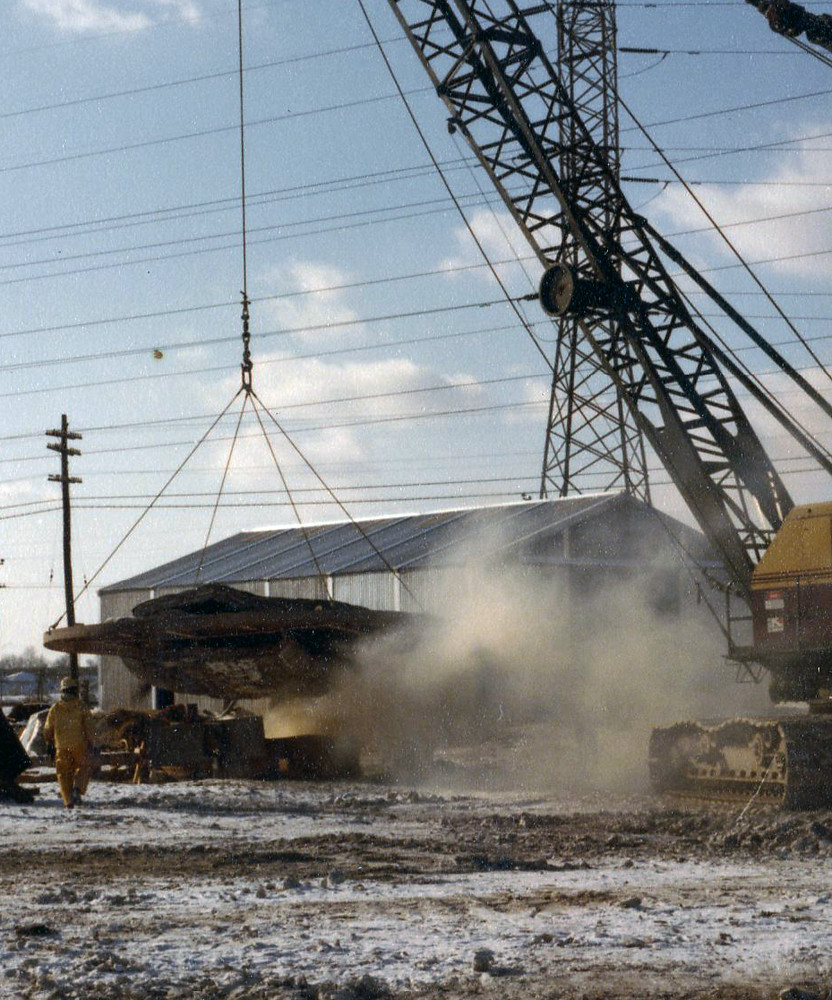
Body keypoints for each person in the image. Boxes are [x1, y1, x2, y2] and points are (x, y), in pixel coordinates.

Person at [43, 676, 95, 808]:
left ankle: (68, 800)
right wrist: (93, 742)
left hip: (61, 745)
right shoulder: (81, 707)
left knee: (63, 773)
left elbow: (48, 728)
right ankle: (77, 789)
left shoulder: (55, 709)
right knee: (85, 766)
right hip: (79, 745)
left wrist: (49, 742)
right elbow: (89, 727)